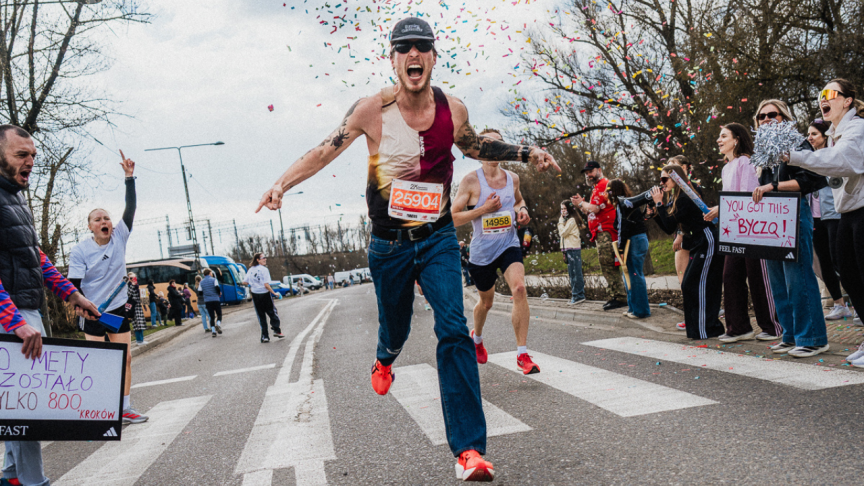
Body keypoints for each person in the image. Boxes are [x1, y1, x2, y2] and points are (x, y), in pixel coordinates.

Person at [255, 17, 559, 481]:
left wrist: (525, 152)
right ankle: (385, 357)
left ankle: (468, 452)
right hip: (388, 245)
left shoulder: (451, 109)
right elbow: (323, 151)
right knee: (394, 325)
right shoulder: (370, 111)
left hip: (436, 235)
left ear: (434, 57)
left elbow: (477, 146)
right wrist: (281, 183)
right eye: (404, 48)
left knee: (454, 329)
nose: (413, 55)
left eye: (422, 47)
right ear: (394, 59)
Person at [0, 124, 101, 486]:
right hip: (12, 316)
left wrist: (71, 294)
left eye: (33, 156)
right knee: (26, 406)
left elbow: (35, 255)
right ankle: (32, 481)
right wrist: (14, 321)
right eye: (20, 155)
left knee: (18, 405)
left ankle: (12, 475)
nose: (30, 162)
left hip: (27, 309)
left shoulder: (18, 196)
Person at [68, 149, 149, 425]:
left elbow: (131, 208)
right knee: (99, 363)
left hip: (116, 309)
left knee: (124, 359)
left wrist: (129, 177)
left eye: (106, 218)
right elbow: (74, 285)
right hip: (92, 311)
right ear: (90, 227)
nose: (104, 222)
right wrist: (79, 307)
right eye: (98, 219)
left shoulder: (120, 237)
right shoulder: (80, 251)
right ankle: (100, 409)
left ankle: (125, 407)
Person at [786, 79, 864, 363]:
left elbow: (842, 160)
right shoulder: (834, 134)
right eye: (820, 95)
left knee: (860, 276)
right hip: (848, 214)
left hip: (862, 212)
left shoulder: (857, 128)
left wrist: (795, 156)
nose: (823, 99)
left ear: (848, 101)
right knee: (851, 278)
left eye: (831, 94)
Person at [451, 127, 540, 375]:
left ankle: (522, 354)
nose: (495, 148)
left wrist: (522, 212)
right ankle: (476, 338)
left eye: (499, 144)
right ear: (480, 150)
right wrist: (484, 209)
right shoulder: (470, 181)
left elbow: (518, 199)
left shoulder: (513, 178)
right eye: (489, 143)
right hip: (482, 253)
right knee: (486, 303)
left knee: (519, 289)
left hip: (508, 243)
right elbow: (454, 218)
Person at [751, 99, 829, 357]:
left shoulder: (797, 143)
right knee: (777, 280)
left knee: (798, 278)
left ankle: (813, 337)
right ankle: (791, 333)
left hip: (794, 213)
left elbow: (813, 179)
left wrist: (774, 187)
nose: (766, 119)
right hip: (770, 218)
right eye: (761, 116)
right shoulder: (762, 150)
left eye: (772, 114)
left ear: (784, 117)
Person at [703, 123, 782, 342]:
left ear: (736, 139)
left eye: (723, 136)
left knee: (758, 277)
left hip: (753, 230)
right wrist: (719, 212)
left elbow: (750, 197)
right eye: (719, 136)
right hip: (734, 231)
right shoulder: (726, 168)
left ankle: (772, 326)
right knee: (730, 276)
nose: (719, 140)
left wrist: (722, 207)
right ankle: (738, 327)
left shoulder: (746, 162)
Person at [650, 164, 725, 340]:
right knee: (690, 284)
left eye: (664, 179)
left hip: (708, 239)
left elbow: (670, 224)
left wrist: (659, 204)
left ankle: (708, 327)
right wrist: (655, 213)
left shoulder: (684, 197)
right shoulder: (676, 198)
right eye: (660, 179)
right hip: (698, 241)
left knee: (697, 284)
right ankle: (700, 328)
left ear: (676, 178)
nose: (662, 184)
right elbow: (669, 227)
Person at [807, 119, 852, 320]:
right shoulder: (807, 158)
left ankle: (858, 304)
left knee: (838, 258)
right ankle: (839, 304)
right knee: (824, 261)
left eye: (814, 134)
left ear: (825, 136)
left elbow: (838, 181)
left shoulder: (834, 154)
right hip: (815, 216)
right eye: (808, 134)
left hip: (834, 213)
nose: (810, 138)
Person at [571, 160, 626, 311]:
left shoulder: (602, 185)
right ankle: (616, 295)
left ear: (599, 170)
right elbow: (590, 209)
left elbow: (594, 208)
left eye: (591, 171)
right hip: (602, 231)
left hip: (606, 232)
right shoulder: (597, 187)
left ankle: (619, 297)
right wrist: (581, 204)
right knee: (607, 264)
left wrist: (582, 204)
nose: (588, 175)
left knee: (608, 264)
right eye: (587, 173)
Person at [606, 179, 651, 319]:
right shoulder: (626, 204)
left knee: (635, 275)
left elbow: (622, 228)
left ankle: (641, 310)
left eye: (608, 191)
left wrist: (620, 247)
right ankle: (633, 308)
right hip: (637, 239)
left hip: (635, 240)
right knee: (629, 275)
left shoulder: (623, 204)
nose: (606, 194)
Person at [668, 156, 701, 330]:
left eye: (673, 166)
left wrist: (680, 234)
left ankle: (693, 316)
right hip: (686, 236)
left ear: (684, 168)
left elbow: (690, 214)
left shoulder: (690, 188)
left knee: (685, 278)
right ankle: (694, 314)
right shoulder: (678, 189)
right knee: (686, 278)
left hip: (688, 237)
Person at [241, 253, 284, 343]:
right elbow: (266, 285)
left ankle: (265, 336)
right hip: (265, 294)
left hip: (255, 295)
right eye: (263, 258)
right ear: (258, 259)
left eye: (265, 257)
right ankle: (276, 330)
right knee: (272, 312)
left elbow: (244, 282)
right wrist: (274, 293)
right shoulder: (264, 270)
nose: (265, 259)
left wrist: (253, 284)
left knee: (261, 316)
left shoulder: (251, 270)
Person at [558, 200, 586, 305]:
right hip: (569, 249)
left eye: (564, 208)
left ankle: (578, 295)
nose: (563, 211)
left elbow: (563, 233)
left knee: (575, 273)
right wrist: (563, 251)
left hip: (573, 249)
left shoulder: (571, 220)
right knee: (572, 273)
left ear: (569, 209)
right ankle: (577, 295)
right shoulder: (567, 220)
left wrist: (560, 221)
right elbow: (564, 239)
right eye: (561, 209)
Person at [198, 268, 223, 338]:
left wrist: (206, 294)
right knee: (219, 314)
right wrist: (219, 293)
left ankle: (213, 332)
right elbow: (217, 288)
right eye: (211, 273)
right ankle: (218, 324)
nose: (211, 274)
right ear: (209, 273)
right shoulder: (214, 280)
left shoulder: (201, 282)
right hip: (215, 299)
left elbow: (200, 292)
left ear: (204, 274)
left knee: (212, 316)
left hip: (207, 301)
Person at [127, 272, 147, 346]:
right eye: (131, 278)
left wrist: (146, 295)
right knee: (137, 325)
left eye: (134, 278)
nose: (133, 279)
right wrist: (132, 285)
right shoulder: (128, 286)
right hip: (133, 308)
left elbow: (140, 296)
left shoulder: (136, 286)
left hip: (138, 306)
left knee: (140, 324)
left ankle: (141, 340)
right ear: (128, 279)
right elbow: (128, 294)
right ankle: (139, 340)